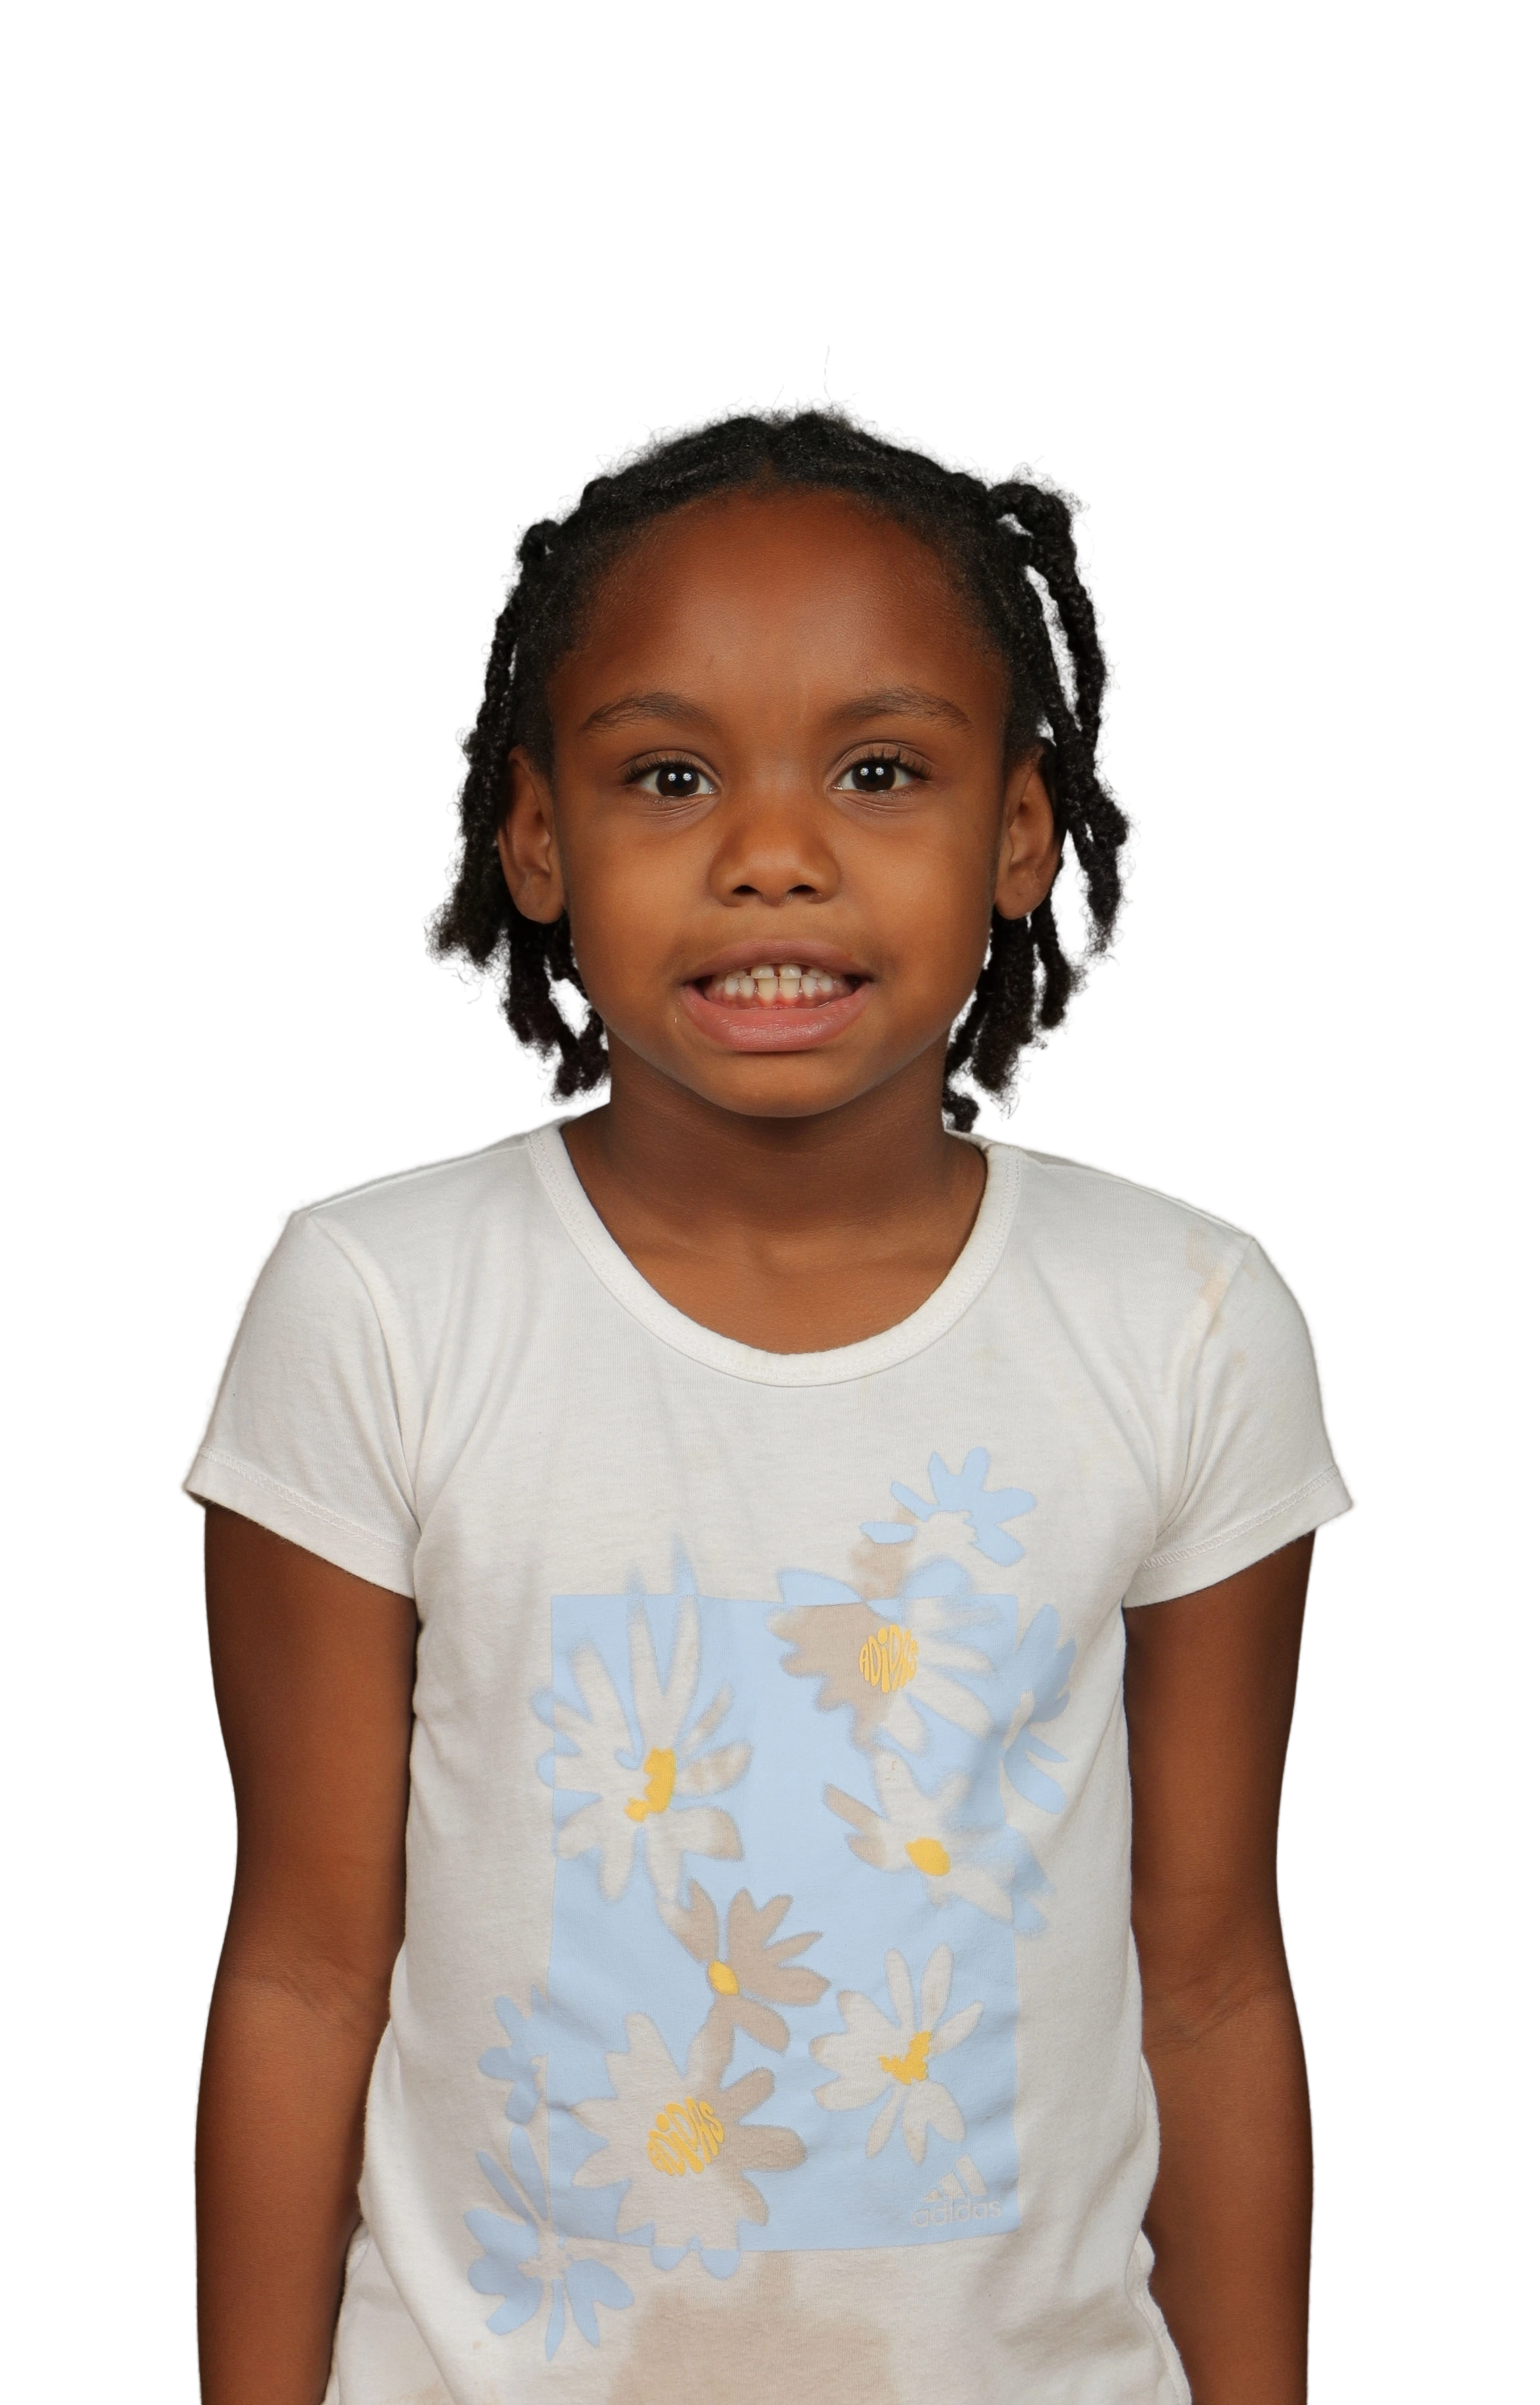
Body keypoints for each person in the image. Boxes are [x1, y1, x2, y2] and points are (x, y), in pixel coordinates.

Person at [180, 391, 1359, 2405]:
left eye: (880, 771)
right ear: (536, 836)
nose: (774, 859)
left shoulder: (1180, 1320)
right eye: (669, 776)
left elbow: (1214, 1977)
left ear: (1020, 831)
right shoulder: (378, 1309)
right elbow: (303, 1965)